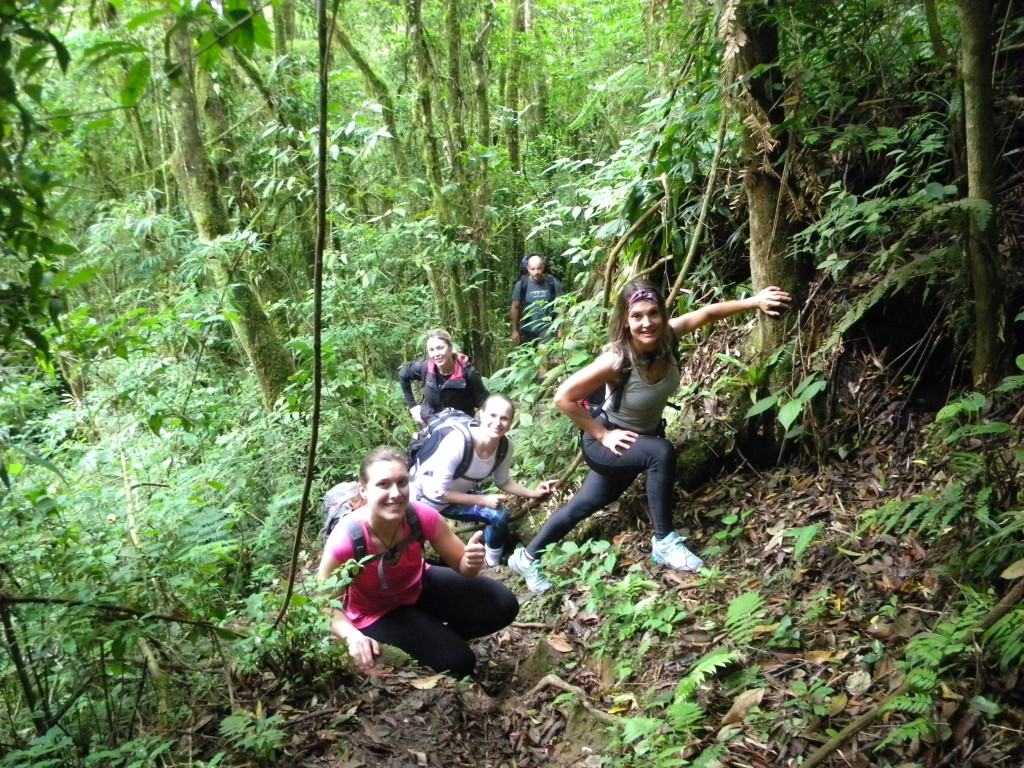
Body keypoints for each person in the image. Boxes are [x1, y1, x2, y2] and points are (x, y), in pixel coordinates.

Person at [509, 279, 791, 592]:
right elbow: (563, 396)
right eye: (637, 316)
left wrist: (755, 301)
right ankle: (664, 541)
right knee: (661, 452)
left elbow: (709, 313)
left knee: (585, 504)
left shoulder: (668, 337)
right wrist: (602, 434)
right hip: (607, 444)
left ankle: (526, 556)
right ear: (625, 322)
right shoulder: (616, 360)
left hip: (635, 442)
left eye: (653, 313)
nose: (647, 323)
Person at [318, 446, 519, 679]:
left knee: (503, 604)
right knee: (459, 663)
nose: (396, 493)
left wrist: (472, 562)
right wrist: (352, 636)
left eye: (402, 482)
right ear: (364, 490)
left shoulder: (421, 515)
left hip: (418, 584)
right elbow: (325, 605)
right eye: (383, 484)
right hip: (376, 612)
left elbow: (463, 567)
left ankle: (437, 635)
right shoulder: (346, 538)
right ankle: (434, 641)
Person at [412, 394, 560, 568]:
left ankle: (492, 565)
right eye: (492, 415)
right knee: (412, 542)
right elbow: (437, 492)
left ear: (511, 422)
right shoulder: (458, 441)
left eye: (504, 418)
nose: (497, 423)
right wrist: (482, 499)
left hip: (456, 499)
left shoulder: (505, 446)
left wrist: (534, 492)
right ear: (481, 414)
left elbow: (503, 482)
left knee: (499, 515)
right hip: (423, 502)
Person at [398, 329, 488, 427]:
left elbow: (485, 404)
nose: (436, 354)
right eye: (431, 350)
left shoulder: (468, 374)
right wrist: (413, 407)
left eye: (440, 348)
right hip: (430, 428)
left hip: (459, 432)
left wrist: (478, 426)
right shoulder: (426, 367)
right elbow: (404, 373)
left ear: (450, 348)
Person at [510, 254, 564, 346]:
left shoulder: (552, 283)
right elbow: (515, 307)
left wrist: (561, 328)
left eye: (539, 268)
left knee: (543, 354)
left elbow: (561, 306)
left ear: (543, 267)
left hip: (547, 328)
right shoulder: (521, 285)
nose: (536, 272)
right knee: (529, 358)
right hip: (527, 329)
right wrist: (514, 330)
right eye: (533, 269)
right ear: (528, 268)